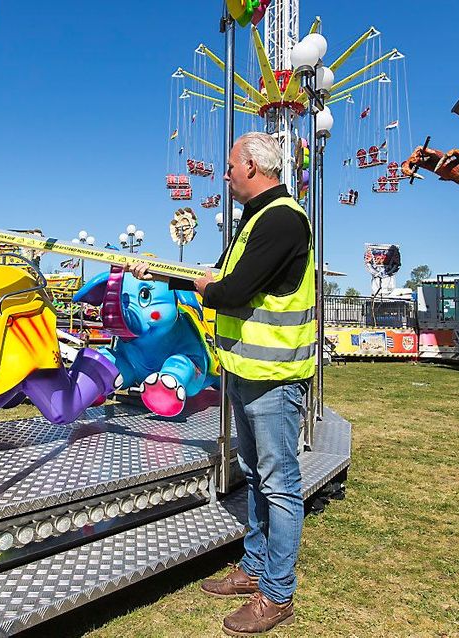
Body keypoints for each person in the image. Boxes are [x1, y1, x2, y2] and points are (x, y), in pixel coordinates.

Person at [129, 132, 315, 635]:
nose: (225, 174)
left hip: (273, 378)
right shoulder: (254, 219)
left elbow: (230, 291)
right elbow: (213, 277)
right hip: (246, 370)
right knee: (255, 474)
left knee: (280, 484)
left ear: (253, 166)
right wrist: (159, 274)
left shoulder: (281, 219)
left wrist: (207, 286)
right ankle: (255, 567)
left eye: (231, 165)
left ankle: (277, 593)